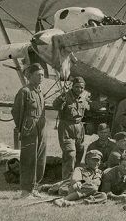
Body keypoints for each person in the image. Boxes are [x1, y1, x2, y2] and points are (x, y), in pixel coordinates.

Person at [12, 63, 48, 199]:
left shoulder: (40, 92)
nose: (41, 77)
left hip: (41, 127)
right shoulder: (24, 91)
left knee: (40, 158)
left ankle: (35, 188)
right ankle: (26, 191)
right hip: (30, 128)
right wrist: (23, 127)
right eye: (38, 75)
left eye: (42, 75)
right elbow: (16, 112)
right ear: (30, 76)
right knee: (28, 158)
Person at [54, 76, 90, 179]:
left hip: (79, 128)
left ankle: (75, 177)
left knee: (80, 152)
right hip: (66, 127)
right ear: (72, 86)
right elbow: (55, 106)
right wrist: (61, 101)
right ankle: (66, 180)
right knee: (70, 154)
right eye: (77, 87)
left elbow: (88, 109)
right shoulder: (65, 96)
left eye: (82, 87)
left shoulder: (83, 98)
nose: (79, 89)